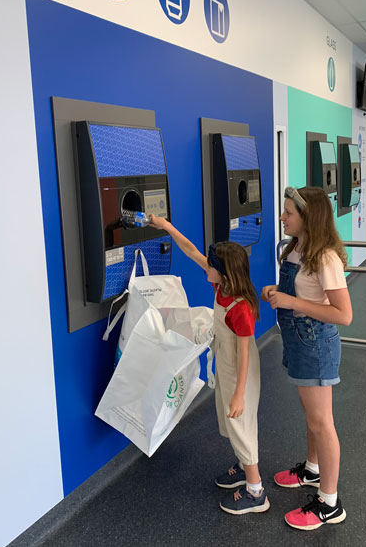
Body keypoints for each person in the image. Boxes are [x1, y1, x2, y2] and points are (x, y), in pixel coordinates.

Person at [149, 214, 269, 516]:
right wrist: (166, 226)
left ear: (225, 272)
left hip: (239, 369)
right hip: (226, 364)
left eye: (211, 266)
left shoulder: (239, 308)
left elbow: (243, 354)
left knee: (240, 423)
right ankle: (244, 468)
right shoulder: (222, 287)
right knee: (229, 419)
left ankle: (256, 491)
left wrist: (240, 392)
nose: (207, 268)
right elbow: (190, 250)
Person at [261, 186, 352, 531]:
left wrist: (292, 303)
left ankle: (330, 502)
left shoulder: (325, 257)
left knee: (321, 421)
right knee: (312, 415)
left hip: (314, 342)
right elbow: (299, 291)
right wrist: (277, 292)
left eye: (288, 213)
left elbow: (344, 315)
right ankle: (313, 470)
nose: (282, 218)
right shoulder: (297, 248)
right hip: (298, 340)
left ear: (308, 218)